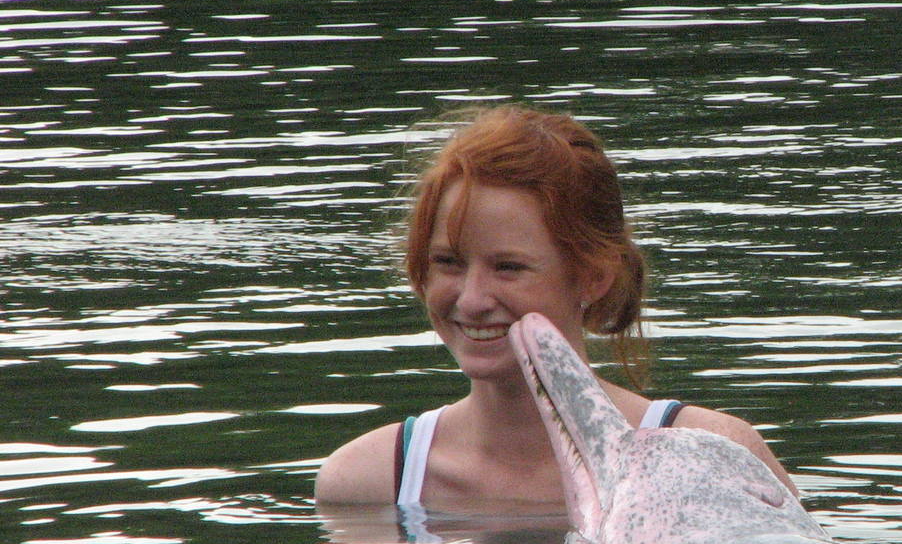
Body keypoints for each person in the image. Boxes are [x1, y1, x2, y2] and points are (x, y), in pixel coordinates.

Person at [315, 104, 799, 512]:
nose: (472, 299)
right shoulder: (369, 482)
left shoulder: (712, 455)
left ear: (592, 276)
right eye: (448, 262)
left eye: (509, 267)